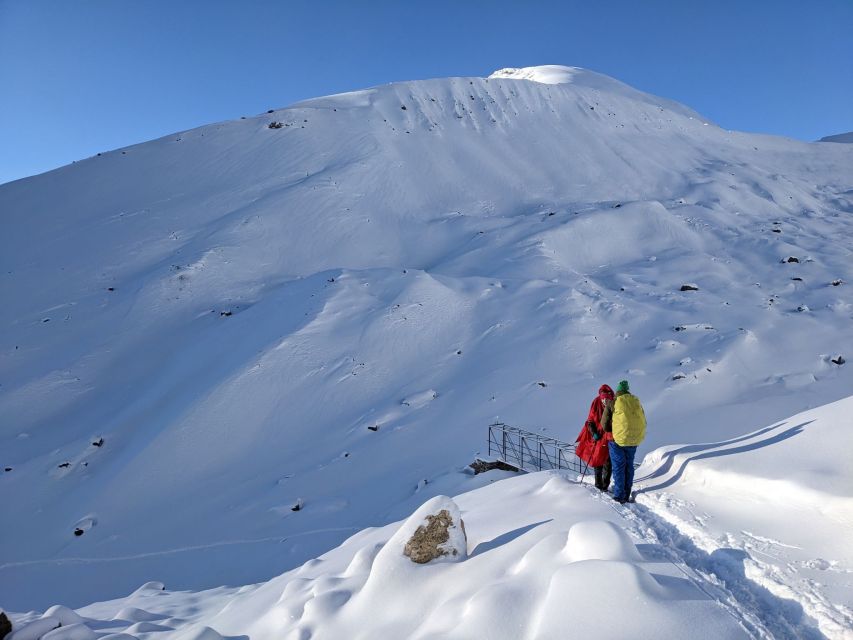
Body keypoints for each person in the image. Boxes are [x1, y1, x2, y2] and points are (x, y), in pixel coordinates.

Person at [606, 379, 646, 504]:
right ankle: (627, 493)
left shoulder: (614, 402)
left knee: (618, 467)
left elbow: (604, 424)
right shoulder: (636, 401)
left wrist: (613, 430)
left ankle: (619, 495)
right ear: (627, 390)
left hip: (617, 440)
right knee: (629, 466)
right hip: (634, 439)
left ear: (617, 391)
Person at [575, 384, 614, 491]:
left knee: (608, 461)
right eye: (603, 399)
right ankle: (598, 484)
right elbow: (590, 420)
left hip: (610, 436)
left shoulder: (614, 403)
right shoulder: (596, 402)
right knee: (598, 459)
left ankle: (605, 485)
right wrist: (593, 433)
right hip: (599, 436)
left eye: (607, 399)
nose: (605, 402)